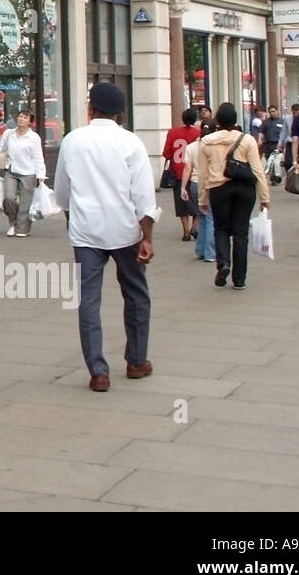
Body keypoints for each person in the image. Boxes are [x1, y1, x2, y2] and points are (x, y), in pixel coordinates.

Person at [53, 82, 155, 393]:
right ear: (120, 112)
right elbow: (143, 196)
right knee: (136, 294)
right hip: (126, 230)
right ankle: (136, 361)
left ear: (91, 108)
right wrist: (147, 237)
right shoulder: (131, 143)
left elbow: (62, 191)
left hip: (86, 232)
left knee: (89, 300)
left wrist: (72, 217)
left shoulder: (73, 141)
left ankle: (98, 371)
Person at [197, 102, 269, 290]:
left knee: (220, 229)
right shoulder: (247, 140)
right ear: (236, 119)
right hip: (244, 189)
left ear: (218, 120)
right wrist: (265, 197)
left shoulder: (206, 141)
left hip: (218, 189)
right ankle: (239, 279)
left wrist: (202, 199)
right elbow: (257, 170)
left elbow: (203, 174)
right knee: (240, 233)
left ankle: (223, 264)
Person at [0, 110, 46, 238]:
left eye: (25, 117)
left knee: (25, 204)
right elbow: (1, 150)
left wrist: (41, 175)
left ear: (29, 122)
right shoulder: (8, 134)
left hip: (28, 172)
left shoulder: (33, 137)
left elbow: (38, 157)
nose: (21, 119)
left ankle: (22, 229)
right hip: (11, 170)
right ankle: (13, 222)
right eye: (20, 116)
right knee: (9, 198)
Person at [180, 117, 218, 262]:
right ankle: (210, 252)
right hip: (210, 183)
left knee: (202, 216)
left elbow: (187, 168)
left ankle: (200, 249)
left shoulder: (191, 147)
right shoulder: (213, 146)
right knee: (210, 218)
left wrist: (183, 187)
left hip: (195, 183)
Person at [162, 109, 201, 241]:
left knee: (180, 203)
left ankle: (185, 231)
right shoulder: (198, 133)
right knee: (196, 201)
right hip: (194, 172)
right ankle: (195, 226)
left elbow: (166, 153)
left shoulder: (172, 132)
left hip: (177, 172)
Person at [259, 105, 285, 184]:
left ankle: (275, 178)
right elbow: (261, 132)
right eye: (270, 112)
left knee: (275, 161)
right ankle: (274, 177)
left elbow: (285, 133)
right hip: (268, 144)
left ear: (277, 111)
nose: (272, 113)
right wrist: (259, 140)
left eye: (273, 111)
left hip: (278, 144)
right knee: (269, 161)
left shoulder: (282, 121)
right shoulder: (266, 122)